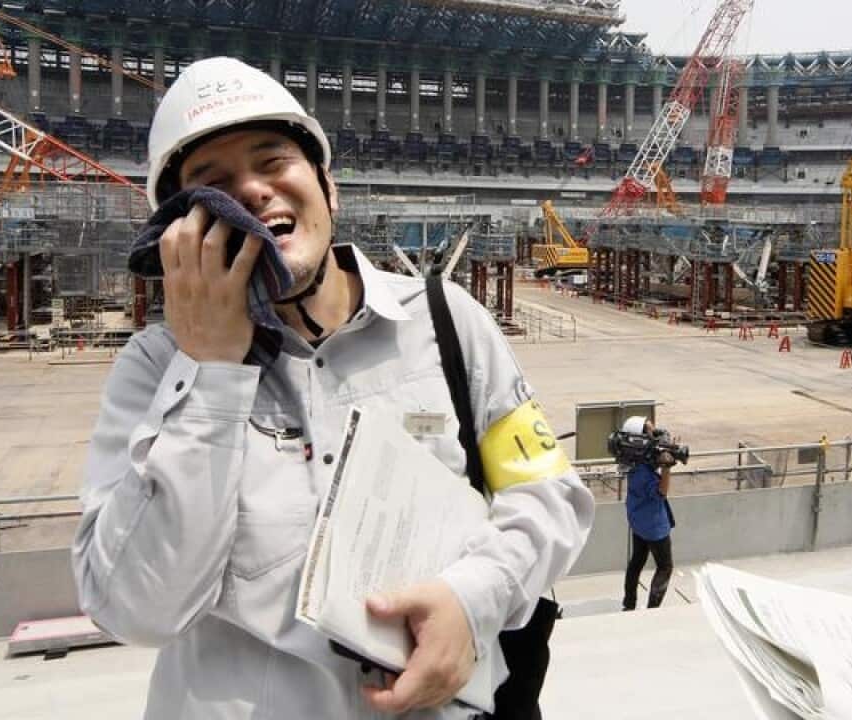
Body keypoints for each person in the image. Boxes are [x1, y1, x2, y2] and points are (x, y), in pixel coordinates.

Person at [71, 56, 596, 719]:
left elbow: (548, 497)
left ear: (328, 186)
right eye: (216, 183)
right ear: (183, 231)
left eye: (273, 162)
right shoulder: (153, 371)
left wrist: (472, 598)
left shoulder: (449, 322)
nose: (255, 191)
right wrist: (211, 371)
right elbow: (136, 609)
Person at [619, 416, 675, 611]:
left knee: (637, 561)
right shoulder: (643, 473)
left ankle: (629, 604)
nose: (654, 436)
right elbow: (661, 492)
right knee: (665, 566)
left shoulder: (634, 464)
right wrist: (667, 468)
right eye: (650, 433)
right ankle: (653, 608)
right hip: (654, 528)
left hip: (638, 523)